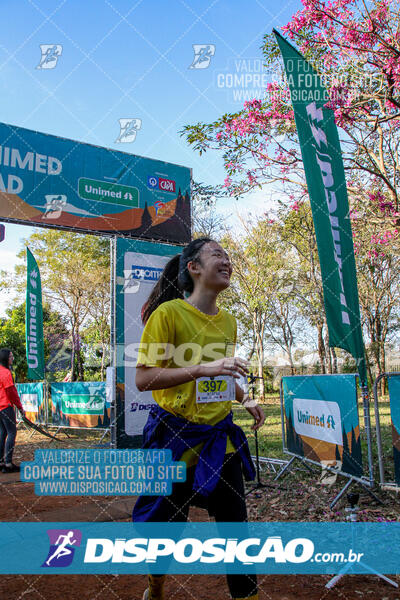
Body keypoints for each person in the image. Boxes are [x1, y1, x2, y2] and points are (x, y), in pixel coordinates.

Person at [133, 238, 265, 600]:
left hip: (218, 439)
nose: (226, 260)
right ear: (193, 267)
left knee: (236, 531)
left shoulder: (230, 322)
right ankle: (155, 585)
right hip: (173, 439)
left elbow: (222, 374)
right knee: (167, 529)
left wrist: (245, 397)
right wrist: (203, 368)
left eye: (228, 255)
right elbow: (143, 379)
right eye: (217, 255)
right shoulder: (169, 315)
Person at [0, 348, 25, 473]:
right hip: (5, 407)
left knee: (2, 432)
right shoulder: (5, 373)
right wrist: (20, 407)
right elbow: (11, 392)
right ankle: (8, 463)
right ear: (5, 358)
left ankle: (1, 461)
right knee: (11, 432)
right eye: (10, 356)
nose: (12, 358)